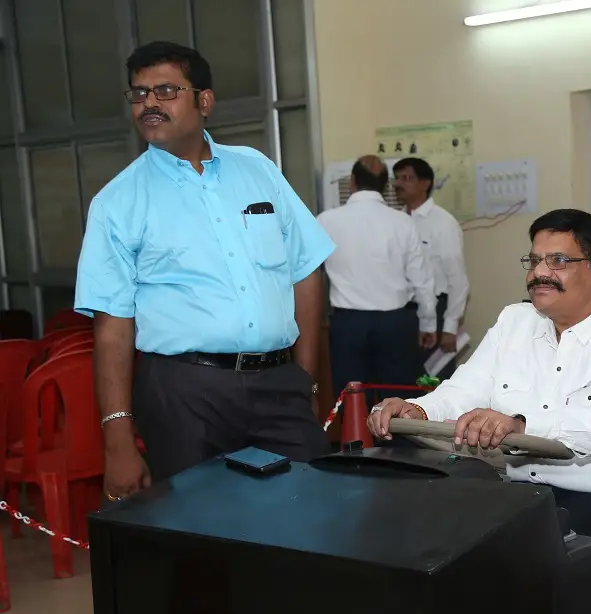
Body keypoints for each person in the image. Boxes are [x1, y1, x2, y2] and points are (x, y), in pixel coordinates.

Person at [74, 41, 335, 499]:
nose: (149, 103)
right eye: (138, 94)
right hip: (184, 393)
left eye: (166, 90)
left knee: (306, 518)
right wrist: (117, 438)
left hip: (279, 385)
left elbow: (306, 270)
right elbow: (112, 327)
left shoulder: (257, 170)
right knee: (202, 536)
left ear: (205, 100)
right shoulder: (117, 202)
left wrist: (307, 379)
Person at [367, 208, 591, 567]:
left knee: (513, 552)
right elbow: (466, 389)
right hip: (524, 493)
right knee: (423, 526)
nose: (539, 273)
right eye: (534, 261)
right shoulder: (513, 322)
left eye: (558, 260)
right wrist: (419, 410)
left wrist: (521, 425)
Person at [318, 155, 437, 403]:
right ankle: (399, 443)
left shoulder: (325, 221)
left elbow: (309, 274)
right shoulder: (403, 223)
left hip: (347, 325)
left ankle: (358, 443)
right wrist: (428, 324)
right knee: (399, 401)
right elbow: (422, 280)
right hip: (396, 326)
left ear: (351, 182)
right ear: (385, 186)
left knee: (352, 402)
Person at [393, 157, 470, 378]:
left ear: (425, 183)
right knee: (402, 382)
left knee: (433, 383)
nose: (399, 184)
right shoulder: (394, 221)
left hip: (435, 311)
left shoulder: (442, 222)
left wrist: (449, 328)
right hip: (400, 314)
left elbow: (458, 280)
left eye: (406, 178)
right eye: (396, 178)